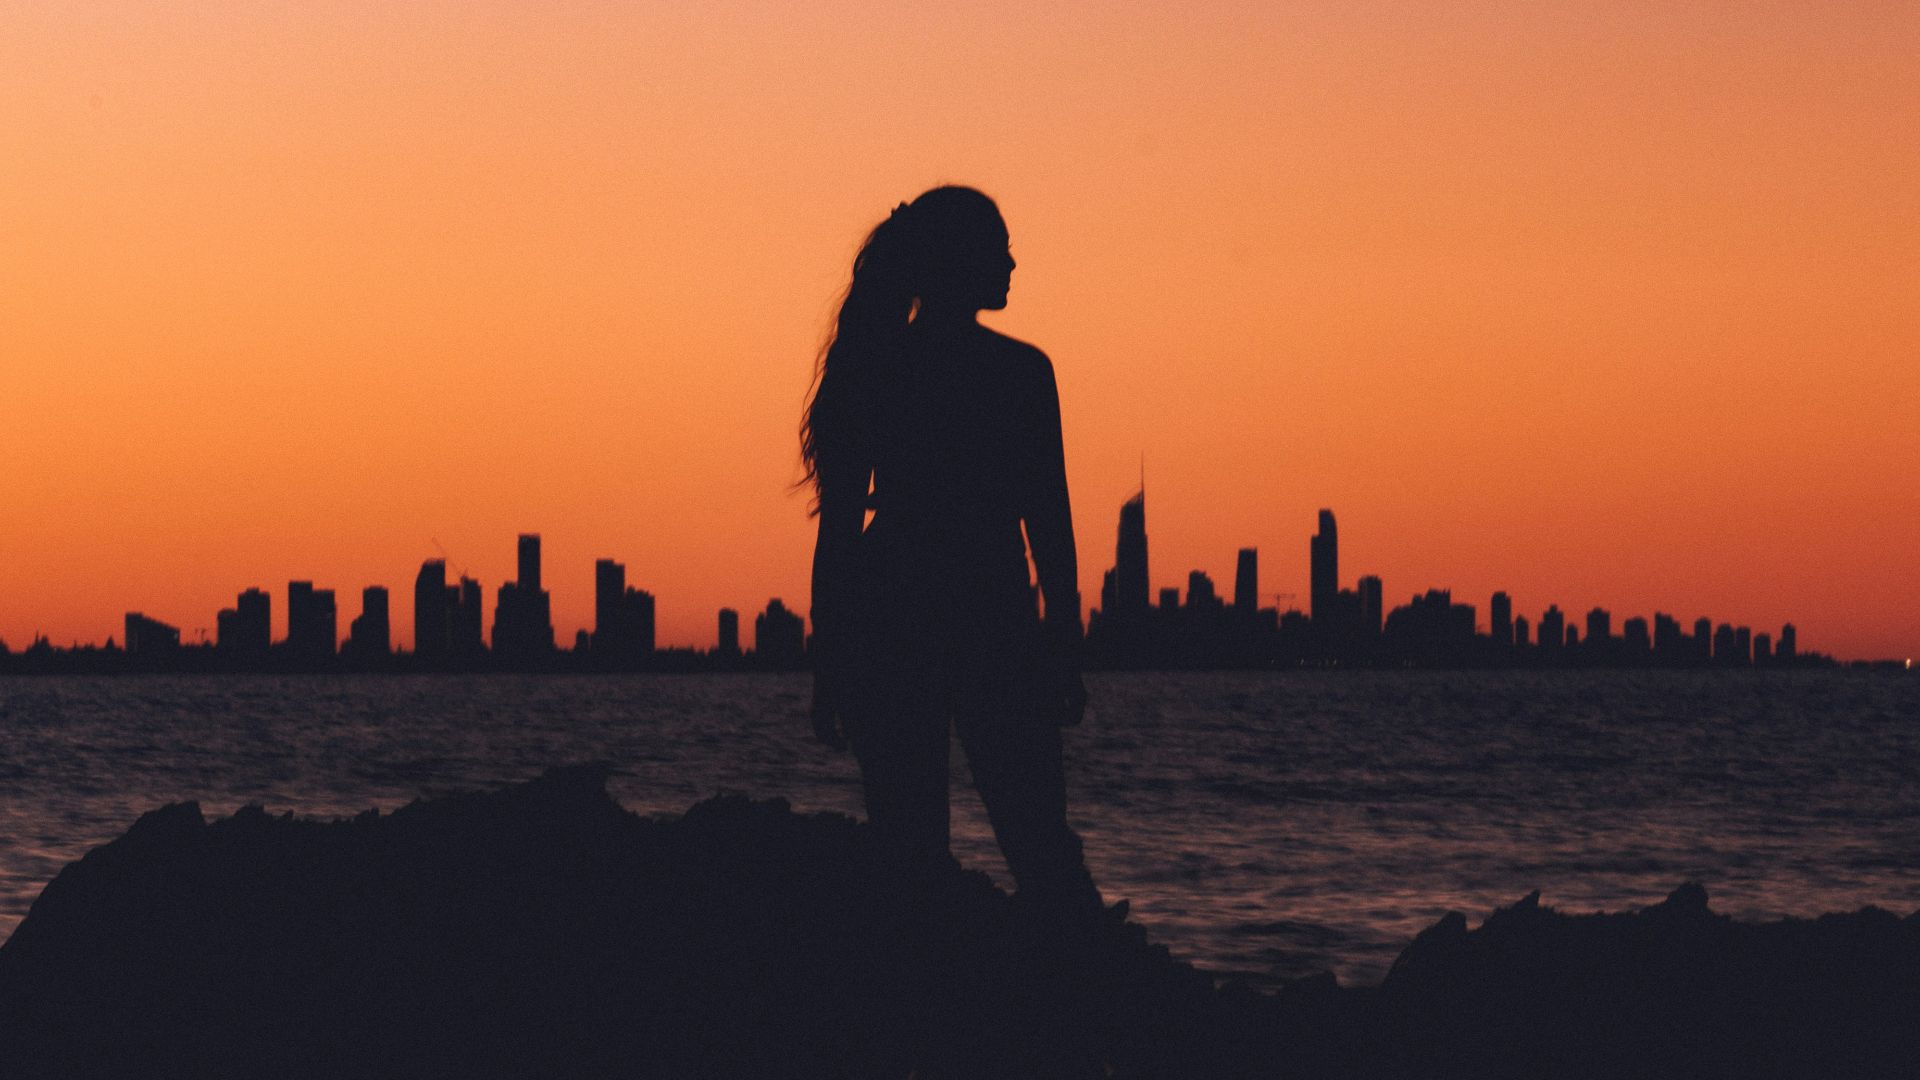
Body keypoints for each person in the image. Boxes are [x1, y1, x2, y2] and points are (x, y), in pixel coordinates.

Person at [802, 186, 1111, 921]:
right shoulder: (1021, 373)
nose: (1011, 262)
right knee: (1038, 840)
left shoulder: (876, 366)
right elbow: (1049, 521)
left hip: (893, 610)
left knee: (910, 853)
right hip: (990, 610)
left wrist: (830, 660)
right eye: (997, 247)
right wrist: (1062, 640)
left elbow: (841, 534)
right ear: (958, 263)